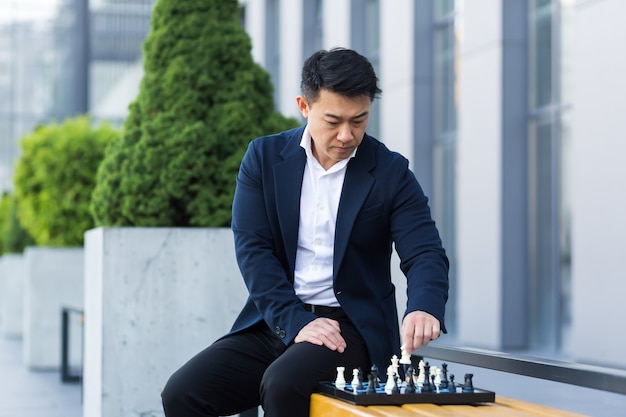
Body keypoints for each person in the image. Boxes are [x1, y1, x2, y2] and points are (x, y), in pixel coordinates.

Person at [161, 47, 449, 417]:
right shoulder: (263, 159)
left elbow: (425, 251)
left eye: (359, 121)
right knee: (183, 393)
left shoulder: (391, 172)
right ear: (304, 105)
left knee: (283, 384)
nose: (347, 135)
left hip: (351, 329)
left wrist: (424, 306)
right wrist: (297, 322)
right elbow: (253, 249)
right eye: (333, 120)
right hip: (278, 320)